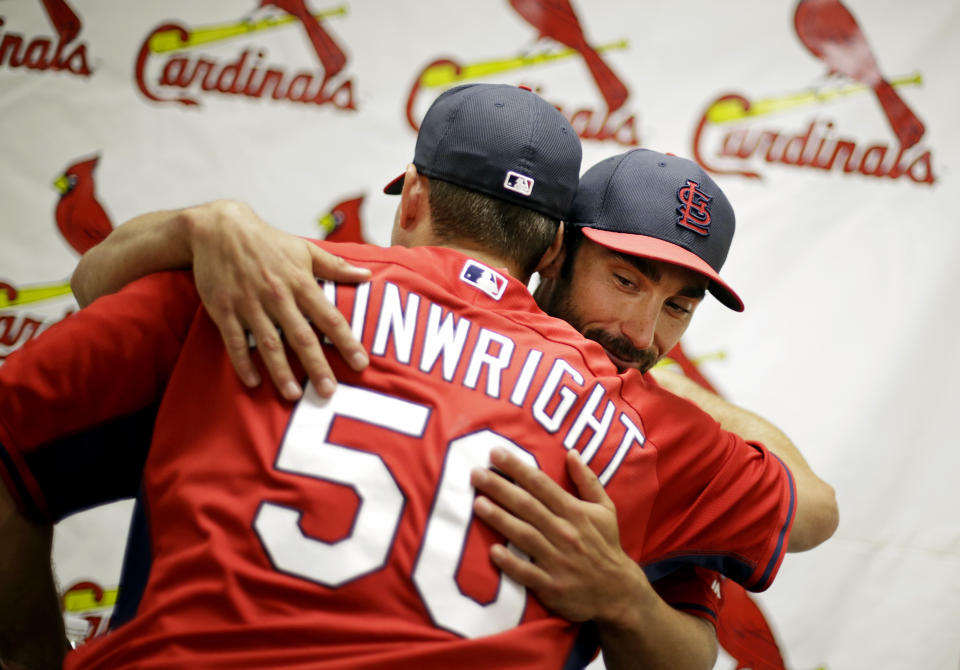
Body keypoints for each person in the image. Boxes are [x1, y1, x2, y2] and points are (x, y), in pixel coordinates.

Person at [0, 86, 828, 669]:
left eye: (678, 308)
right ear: (553, 253)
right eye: (624, 282)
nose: (642, 334)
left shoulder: (252, 279)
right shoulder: (642, 429)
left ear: (412, 199)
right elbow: (811, 507)